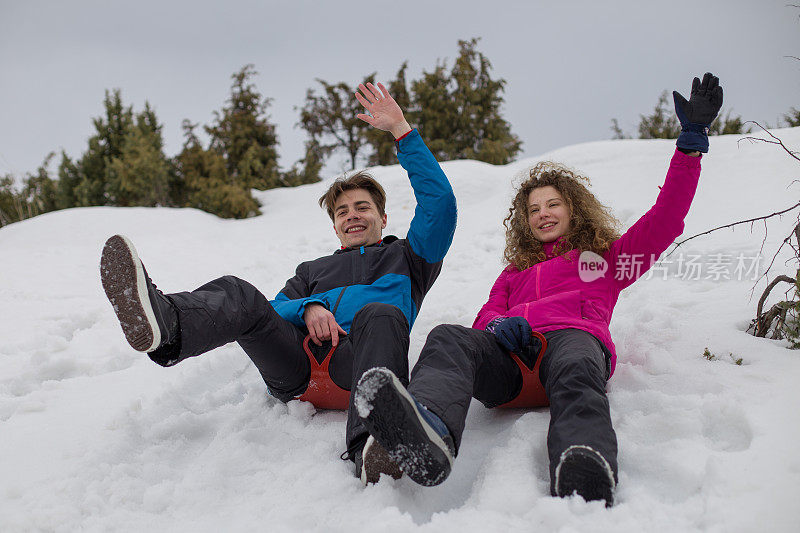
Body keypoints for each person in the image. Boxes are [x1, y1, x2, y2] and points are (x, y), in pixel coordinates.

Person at [354, 73, 723, 505]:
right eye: (533, 209)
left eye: (552, 205)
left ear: (573, 209)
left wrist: (691, 144)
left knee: (579, 355)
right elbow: (486, 315)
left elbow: (665, 219)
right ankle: (428, 432)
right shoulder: (515, 272)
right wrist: (497, 329)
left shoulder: (604, 261)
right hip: (511, 365)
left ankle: (581, 457)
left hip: (569, 349)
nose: (542, 214)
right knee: (448, 337)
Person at [100, 82, 457, 485]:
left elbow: (440, 205)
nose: (352, 216)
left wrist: (402, 133)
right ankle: (167, 326)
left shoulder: (410, 258)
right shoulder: (312, 269)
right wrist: (308, 306)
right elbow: (272, 309)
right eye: (342, 212)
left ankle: (374, 445)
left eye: (363, 208)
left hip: (359, 365)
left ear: (383, 219)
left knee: (381, 312)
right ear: (335, 226)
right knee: (240, 294)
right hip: (298, 366)